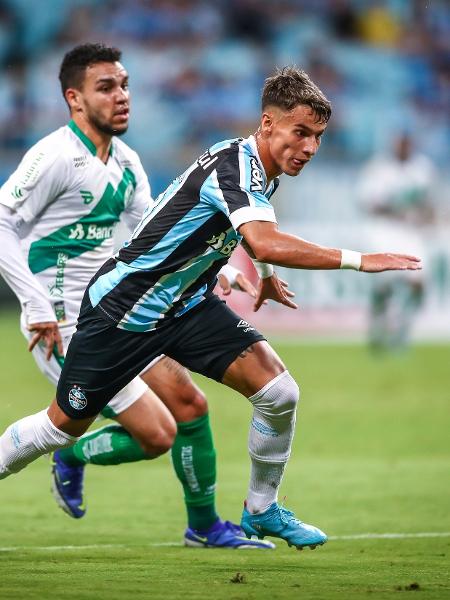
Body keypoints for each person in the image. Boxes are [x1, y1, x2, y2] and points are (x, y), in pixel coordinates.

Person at [0, 64, 421, 550]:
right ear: (268, 124)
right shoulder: (234, 168)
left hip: (184, 306)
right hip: (122, 312)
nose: (309, 147)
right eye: (300, 133)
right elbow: (262, 241)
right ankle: (70, 455)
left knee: (279, 391)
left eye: (318, 136)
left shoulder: (260, 168)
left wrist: (262, 277)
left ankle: (261, 510)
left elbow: (249, 231)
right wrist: (361, 260)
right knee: (60, 426)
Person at [0, 43, 277, 550]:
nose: (122, 96)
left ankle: (203, 527)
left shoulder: (126, 162)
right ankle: (69, 452)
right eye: (106, 87)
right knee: (146, 434)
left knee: (189, 408)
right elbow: (2, 224)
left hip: (124, 314)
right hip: (63, 321)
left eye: (125, 85)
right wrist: (34, 303)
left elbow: (154, 241)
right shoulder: (54, 157)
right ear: (74, 99)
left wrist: (216, 276)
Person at [358, 133, 435, 352]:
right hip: (385, 231)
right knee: (385, 285)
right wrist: (398, 208)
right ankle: (378, 327)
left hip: (412, 233)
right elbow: (368, 204)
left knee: (418, 283)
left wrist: (426, 217)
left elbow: (429, 203)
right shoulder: (379, 169)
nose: (404, 147)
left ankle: (402, 329)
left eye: (407, 143)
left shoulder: (422, 168)